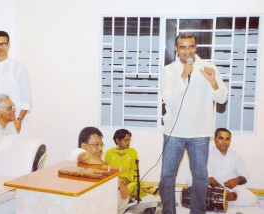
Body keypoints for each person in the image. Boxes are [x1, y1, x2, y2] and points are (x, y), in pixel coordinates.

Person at [159, 32, 228, 214]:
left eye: (191, 46)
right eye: (183, 47)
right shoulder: (169, 70)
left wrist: (213, 82)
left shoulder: (208, 67)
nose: (187, 51)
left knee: (200, 178)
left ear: (196, 47)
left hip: (200, 133)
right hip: (174, 133)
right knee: (167, 177)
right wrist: (182, 76)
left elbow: (222, 99)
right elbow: (169, 101)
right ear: (176, 49)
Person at [66, 127, 129, 214]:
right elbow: (86, 157)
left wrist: (120, 183)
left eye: (101, 145)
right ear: (84, 146)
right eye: (96, 145)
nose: (100, 148)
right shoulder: (76, 152)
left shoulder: (95, 161)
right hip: (74, 202)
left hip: (87, 197)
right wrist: (109, 169)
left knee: (123, 196)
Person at [208, 128, 257, 206]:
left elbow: (245, 176)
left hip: (231, 189)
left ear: (230, 141)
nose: (224, 142)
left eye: (227, 139)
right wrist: (223, 192)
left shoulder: (236, 156)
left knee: (252, 199)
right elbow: (208, 178)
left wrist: (236, 180)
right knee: (193, 181)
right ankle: (222, 199)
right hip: (212, 188)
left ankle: (221, 200)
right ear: (215, 139)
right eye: (221, 138)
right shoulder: (208, 154)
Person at [105, 129, 146, 201]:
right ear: (117, 140)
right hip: (115, 181)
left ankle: (128, 198)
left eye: (129, 140)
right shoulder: (110, 153)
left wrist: (127, 181)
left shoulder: (132, 152)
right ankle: (129, 198)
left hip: (128, 181)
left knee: (133, 186)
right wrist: (118, 183)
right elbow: (107, 170)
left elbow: (134, 170)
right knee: (110, 190)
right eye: (125, 140)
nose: (128, 142)